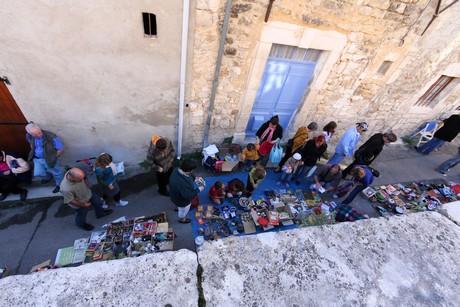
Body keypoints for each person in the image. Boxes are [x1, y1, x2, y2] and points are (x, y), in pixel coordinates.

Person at [25, 123, 64, 193]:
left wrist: (53, 158)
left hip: (50, 158)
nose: (38, 135)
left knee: (56, 173)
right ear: (30, 134)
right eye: (35, 134)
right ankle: (48, 177)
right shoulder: (29, 136)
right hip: (37, 158)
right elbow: (31, 143)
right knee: (38, 173)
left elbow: (60, 149)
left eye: (38, 133)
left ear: (40, 129)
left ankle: (59, 185)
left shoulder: (51, 136)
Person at [169, 159, 204, 223]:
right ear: (188, 170)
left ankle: (177, 207)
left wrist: (195, 178)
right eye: (192, 170)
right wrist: (199, 189)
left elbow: (189, 175)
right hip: (183, 201)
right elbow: (187, 196)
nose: (192, 171)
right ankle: (182, 219)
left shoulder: (177, 169)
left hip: (175, 196)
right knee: (183, 211)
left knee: (178, 205)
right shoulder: (182, 183)